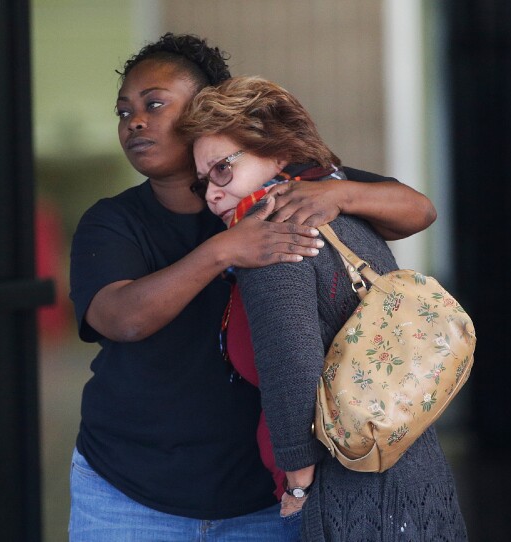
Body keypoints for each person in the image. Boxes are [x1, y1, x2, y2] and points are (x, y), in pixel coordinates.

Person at [68, 33, 438, 541]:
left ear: (204, 111)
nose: (134, 121)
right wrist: (225, 249)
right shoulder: (112, 221)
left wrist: (338, 191)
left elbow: (418, 209)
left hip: (266, 499)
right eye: (123, 111)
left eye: (154, 104)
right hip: (128, 491)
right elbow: (120, 318)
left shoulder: (284, 190)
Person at [178, 75, 468, 541]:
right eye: (201, 184)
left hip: (349, 489)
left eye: (222, 170)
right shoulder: (335, 209)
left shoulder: (273, 229)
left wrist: (298, 475)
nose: (211, 193)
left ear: (275, 151)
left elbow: (290, 362)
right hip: (413, 467)